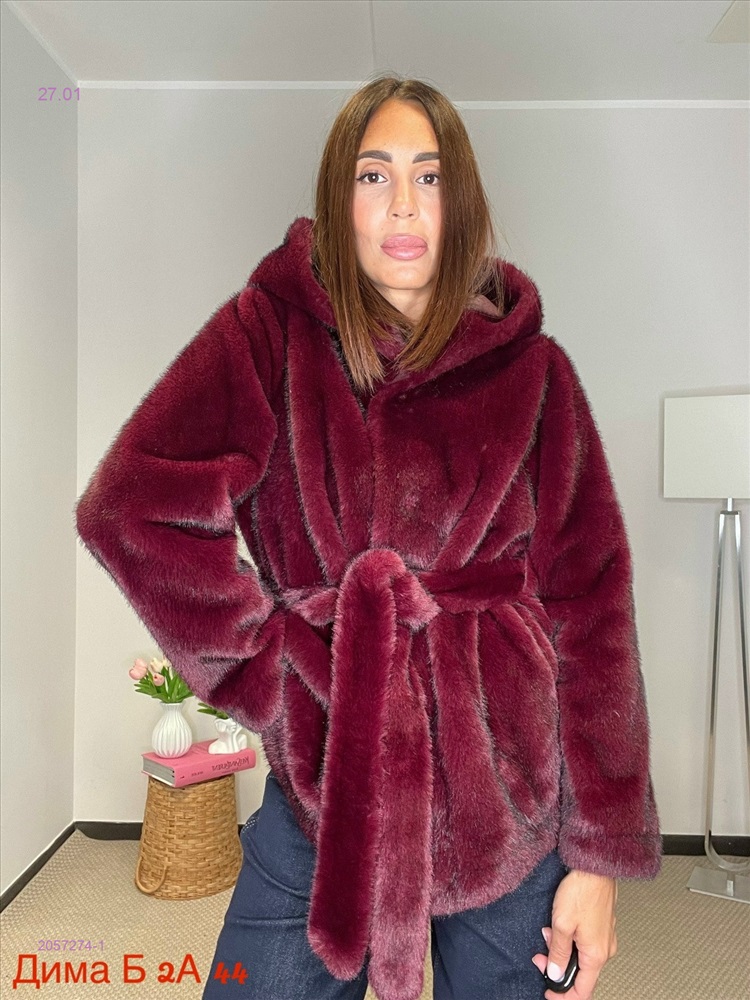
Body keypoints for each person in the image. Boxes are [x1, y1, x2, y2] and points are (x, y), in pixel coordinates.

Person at [75, 75, 662, 1000]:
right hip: (327, 780)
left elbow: (593, 606)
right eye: (373, 175)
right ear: (337, 199)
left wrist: (597, 857)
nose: (402, 204)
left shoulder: (537, 374)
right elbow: (131, 506)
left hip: (510, 795)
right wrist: (274, 674)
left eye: (429, 177)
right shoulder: (269, 335)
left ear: (460, 203)